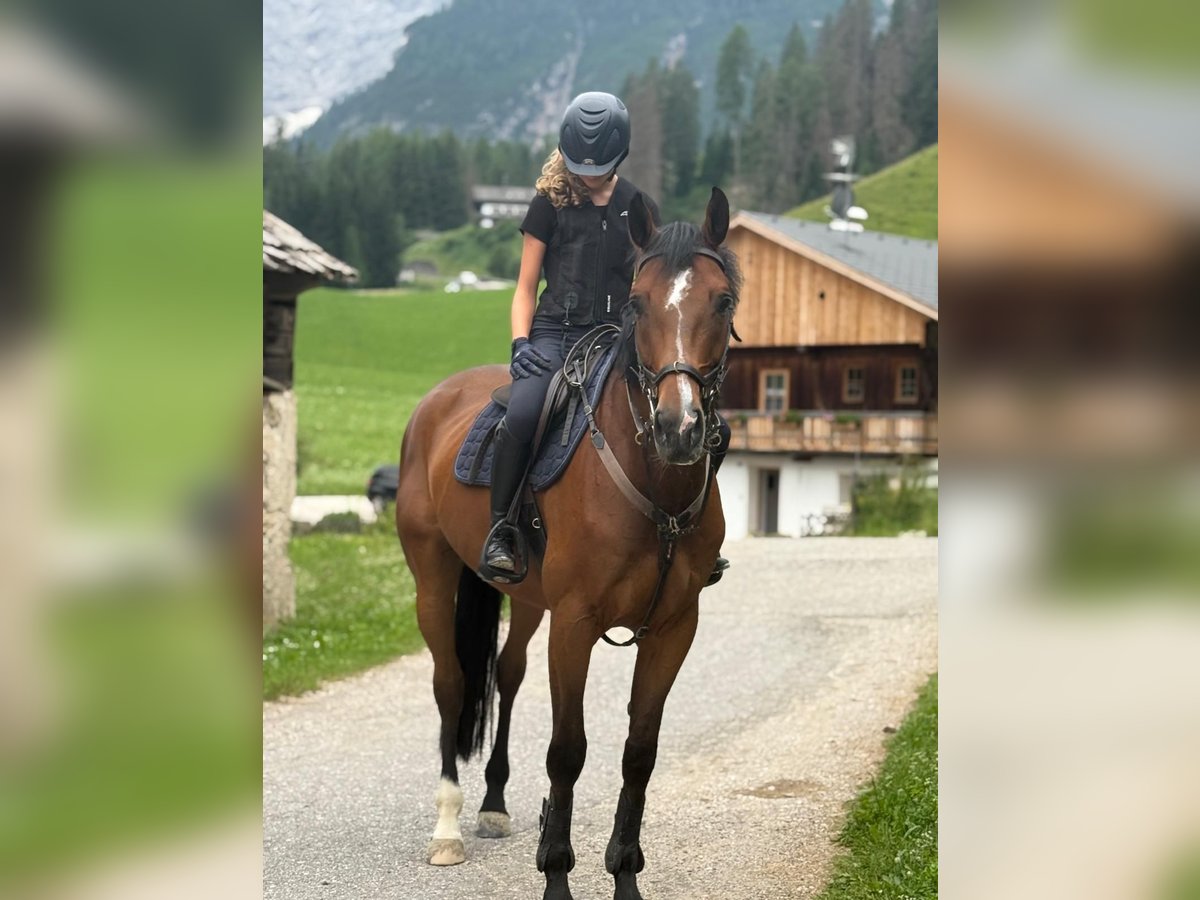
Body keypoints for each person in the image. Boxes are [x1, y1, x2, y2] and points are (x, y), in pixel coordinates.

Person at [479, 91, 730, 586]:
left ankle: (695, 534)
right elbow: (525, 287)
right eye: (580, 166)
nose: (589, 175)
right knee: (524, 412)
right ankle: (502, 530)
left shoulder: (638, 207)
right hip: (554, 334)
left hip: (617, 336)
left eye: (599, 167)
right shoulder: (548, 204)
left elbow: (655, 286)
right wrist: (520, 343)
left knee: (713, 426)